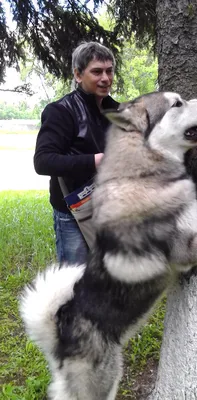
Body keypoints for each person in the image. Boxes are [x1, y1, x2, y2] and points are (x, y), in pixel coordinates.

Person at [34, 42, 119, 265]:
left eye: (109, 71)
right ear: (78, 75)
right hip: (73, 214)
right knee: (75, 282)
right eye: (97, 71)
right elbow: (43, 161)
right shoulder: (61, 111)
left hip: (111, 208)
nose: (105, 78)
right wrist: (95, 161)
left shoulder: (116, 111)